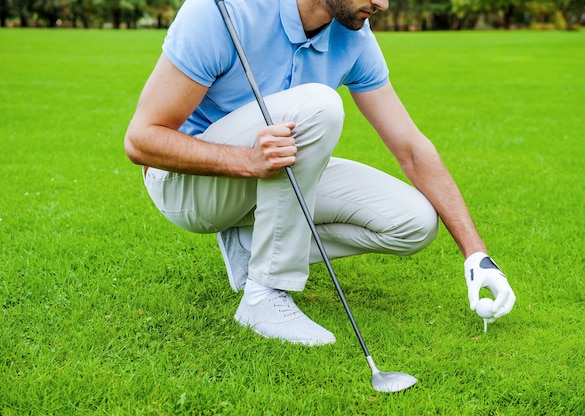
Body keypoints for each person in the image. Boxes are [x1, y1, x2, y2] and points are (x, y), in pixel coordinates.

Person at [124, 0, 516, 346]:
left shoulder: (355, 36)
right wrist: (247, 161)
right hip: (184, 188)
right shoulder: (223, 10)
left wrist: (476, 255)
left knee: (414, 222)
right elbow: (141, 142)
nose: (383, 3)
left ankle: (251, 248)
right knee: (319, 104)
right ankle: (265, 295)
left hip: (266, 174)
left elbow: (410, 147)